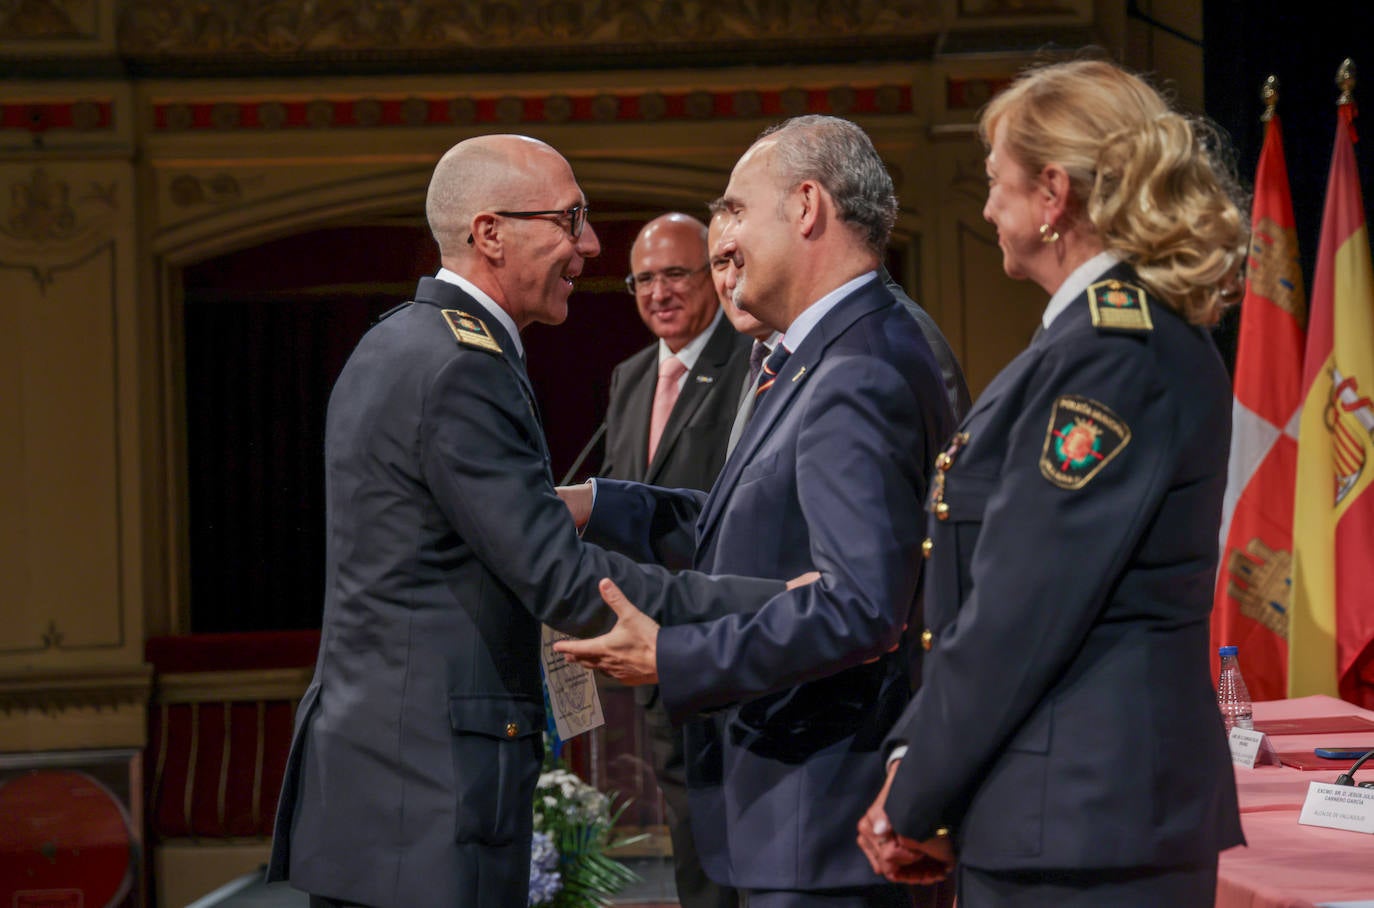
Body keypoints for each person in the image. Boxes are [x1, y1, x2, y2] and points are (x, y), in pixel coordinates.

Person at [265, 134, 786, 908]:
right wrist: (772, 601)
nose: (590, 244)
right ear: (490, 233)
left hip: (381, 790)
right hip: (430, 802)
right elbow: (565, 582)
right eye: (569, 219)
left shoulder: (393, 342)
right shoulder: (463, 366)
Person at [856, 59, 1247, 906]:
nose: (988, 206)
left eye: (998, 183)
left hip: (1085, 829)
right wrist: (914, 761)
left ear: (1053, 194)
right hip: (1063, 816)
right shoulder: (1094, 344)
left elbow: (1020, 609)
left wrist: (916, 792)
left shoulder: (1112, 355)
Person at [557, 115, 957, 907]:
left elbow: (861, 606)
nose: (723, 237)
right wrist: (600, 502)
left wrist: (674, 658)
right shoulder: (835, 348)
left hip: (824, 822)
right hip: (799, 815)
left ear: (806, 207)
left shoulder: (857, 367)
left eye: (735, 209)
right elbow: (758, 518)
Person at [601, 211, 752, 908]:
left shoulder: (749, 362)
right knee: (688, 828)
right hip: (650, 638)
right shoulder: (630, 376)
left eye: (675, 275)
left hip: (729, 638)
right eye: (643, 279)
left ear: (714, 276)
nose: (658, 292)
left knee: (736, 831)